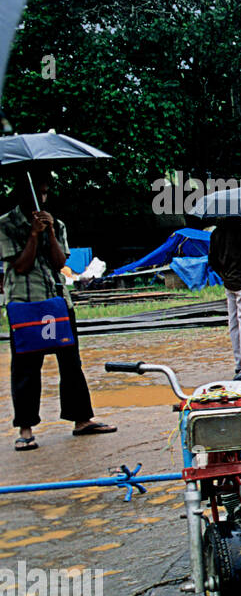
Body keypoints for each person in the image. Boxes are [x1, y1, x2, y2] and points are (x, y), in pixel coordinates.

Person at [2, 168, 115, 450]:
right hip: (25, 304)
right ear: (22, 195)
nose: (42, 197)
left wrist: (49, 231)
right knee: (27, 365)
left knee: (70, 361)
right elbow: (20, 265)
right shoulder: (5, 224)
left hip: (56, 302)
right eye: (37, 192)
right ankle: (25, 429)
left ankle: (81, 419)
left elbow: (58, 262)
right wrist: (32, 235)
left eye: (44, 192)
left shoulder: (57, 224)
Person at [208, 209, 241, 372]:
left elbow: (212, 261)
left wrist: (224, 276)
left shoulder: (216, 233)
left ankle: (240, 363)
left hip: (228, 282)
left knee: (235, 323)